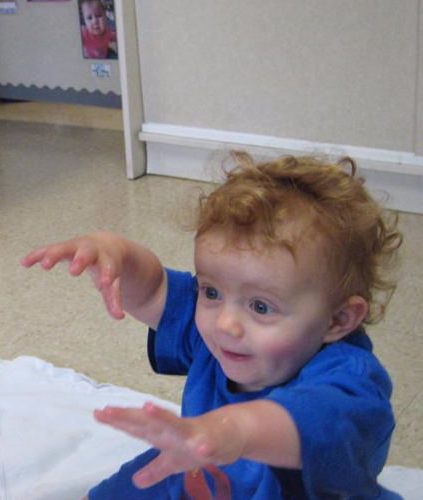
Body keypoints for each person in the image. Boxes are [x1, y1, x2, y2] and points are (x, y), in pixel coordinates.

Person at [22, 152, 403, 499]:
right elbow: (155, 290)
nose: (224, 322)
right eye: (211, 291)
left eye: (260, 305)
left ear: (338, 320)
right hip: (202, 468)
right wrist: (112, 249)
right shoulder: (220, 335)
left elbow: (313, 422)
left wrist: (231, 432)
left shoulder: (351, 382)